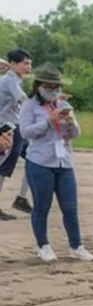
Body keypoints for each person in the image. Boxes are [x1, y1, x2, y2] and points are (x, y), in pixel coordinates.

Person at [20, 64, 93, 263]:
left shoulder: (62, 104)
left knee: (70, 207)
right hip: (40, 161)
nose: (53, 90)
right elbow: (25, 132)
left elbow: (76, 133)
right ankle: (43, 246)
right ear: (38, 86)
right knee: (42, 207)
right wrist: (48, 122)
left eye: (56, 86)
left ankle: (76, 246)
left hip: (64, 162)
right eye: (48, 86)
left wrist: (70, 123)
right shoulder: (29, 105)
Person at [0, 49, 33, 221]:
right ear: (13, 64)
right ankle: (20, 198)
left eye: (29, 63)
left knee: (34, 157)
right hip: (8, 126)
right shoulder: (10, 80)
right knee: (3, 167)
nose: (29, 66)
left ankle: (21, 198)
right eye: (25, 63)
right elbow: (22, 100)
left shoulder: (13, 79)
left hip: (16, 125)